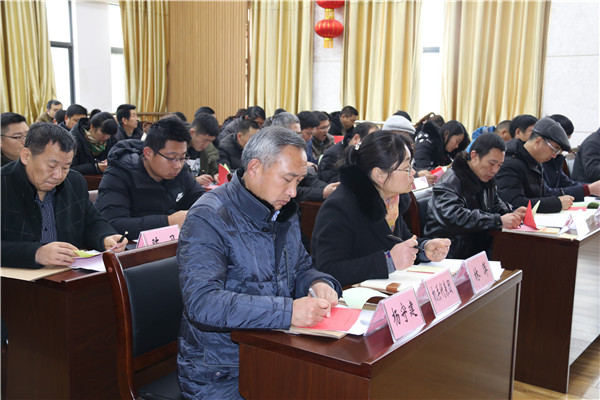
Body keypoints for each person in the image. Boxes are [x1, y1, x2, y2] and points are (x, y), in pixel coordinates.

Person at [177, 126, 342, 398]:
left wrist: (317, 283)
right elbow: (203, 302)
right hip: (221, 370)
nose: (293, 192)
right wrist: (288, 312)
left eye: (299, 181)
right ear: (254, 168)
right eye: (287, 179)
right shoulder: (209, 217)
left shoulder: (281, 210)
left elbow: (301, 266)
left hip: (274, 352)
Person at [311, 130, 451, 288]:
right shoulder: (340, 207)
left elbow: (402, 240)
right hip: (352, 295)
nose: (413, 173)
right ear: (379, 174)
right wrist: (388, 261)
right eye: (406, 168)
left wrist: (425, 248)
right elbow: (328, 269)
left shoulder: (390, 200)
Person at [1, 122, 126, 269]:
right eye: (51, 166)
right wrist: (36, 253)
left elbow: (92, 221)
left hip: (68, 274)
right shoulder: (4, 184)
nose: (58, 175)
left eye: (66, 167)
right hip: (17, 279)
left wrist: (105, 237)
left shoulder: (74, 181)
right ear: (26, 156)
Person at [96, 117, 205, 239]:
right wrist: (168, 222)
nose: (178, 165)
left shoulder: (181, 171)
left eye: (183, 158)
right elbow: (113, 223)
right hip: (131, 247)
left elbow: (201, 200)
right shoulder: (119, 172)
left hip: (170, 244)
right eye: (171, 158)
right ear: (148, 153)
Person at [424, 133, 526, 259]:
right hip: (450, 253)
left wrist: (512, 212)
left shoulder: (485, 179)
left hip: (477, 249)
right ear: (474, 156)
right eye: (492, 163)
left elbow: (494, 205)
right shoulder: (450, 182)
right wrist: (497, 221)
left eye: (499, 165)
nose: (495, 170)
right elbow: (454, 217)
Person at [496, 117, 574, 213]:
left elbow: (542, 194)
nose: (554, 155)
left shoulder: (535, 161)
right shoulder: (510, 163)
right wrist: (557, 203)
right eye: (554, 149)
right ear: (538, 142)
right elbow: (514, 203)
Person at [542, 114, 600, 199]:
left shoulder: (554, 159)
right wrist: (588, 189)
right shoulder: (593, 143)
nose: (562, 150)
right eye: (558, 146)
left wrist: (589, 189)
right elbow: (545, 193)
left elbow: (565, 183)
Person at [186, 113, 220, 186]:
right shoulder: (177, 149)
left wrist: (216, 175)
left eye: (210, 141)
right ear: (192, 133)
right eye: (205, 140)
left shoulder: (207, 149)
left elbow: (212, 168)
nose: (206, 145)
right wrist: (194, 181)